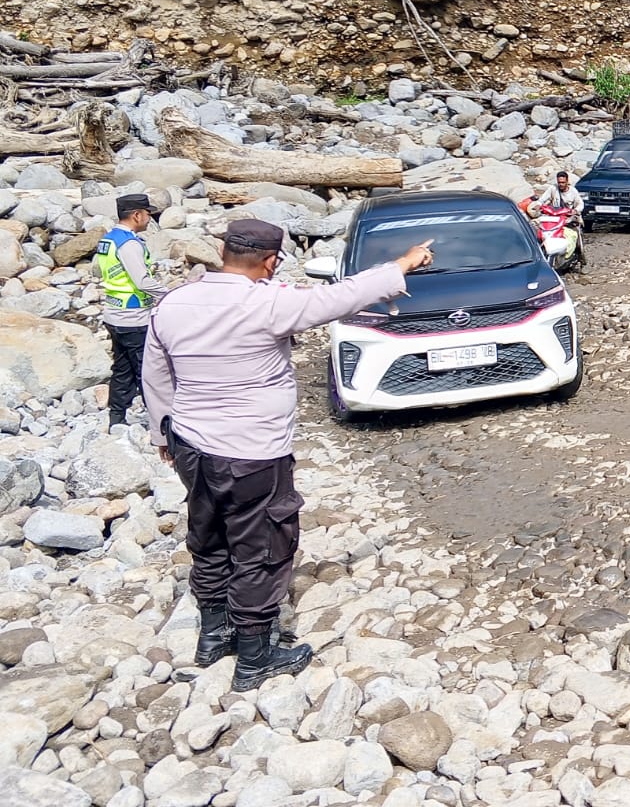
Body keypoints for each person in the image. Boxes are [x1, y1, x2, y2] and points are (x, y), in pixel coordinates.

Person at [142, 219, 434, 690]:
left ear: (222, 251)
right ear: (271, 260)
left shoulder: (172, 303)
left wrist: (162, 434)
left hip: (190, 443)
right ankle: (255, 657)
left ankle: (214, 635)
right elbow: (342, 296)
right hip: (252, 450)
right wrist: (404, 262)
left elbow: (155, 374)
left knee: (209, 535)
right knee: (261, 548)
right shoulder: (269, 303)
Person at [95, 193, 164, 430]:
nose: (149, 218)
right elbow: (142, 281)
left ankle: (117, 418)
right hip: (134, 317)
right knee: (147, 372)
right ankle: (161, 424)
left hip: (114, 313)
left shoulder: (108, 240)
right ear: (137, 215)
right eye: (148, 214)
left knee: (122, 368)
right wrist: (169, 294)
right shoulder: (130, 244)